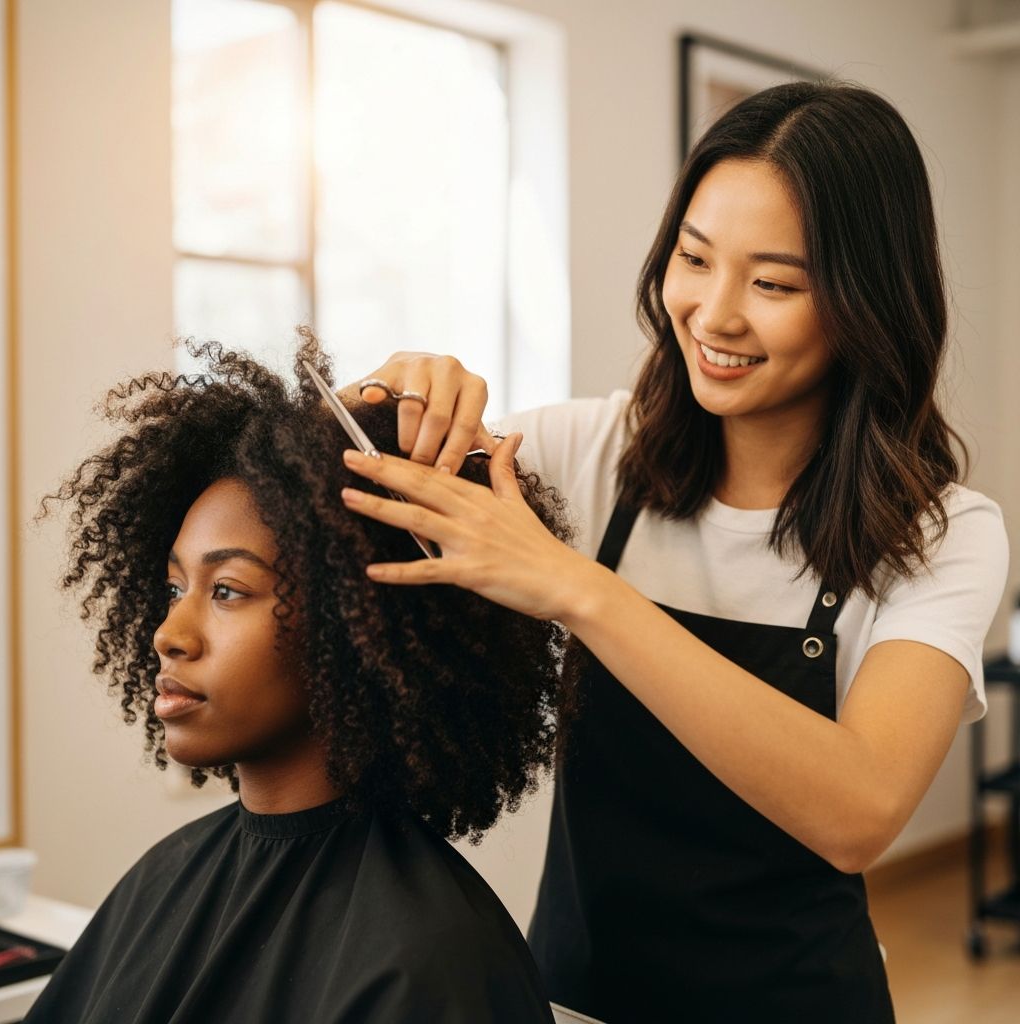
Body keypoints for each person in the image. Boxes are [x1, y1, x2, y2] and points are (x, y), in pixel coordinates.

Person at [338, 81, 1009, 1022]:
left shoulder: (942, 533)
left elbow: (860, 810)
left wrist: (582, 591)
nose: (714, 314)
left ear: (867, 301)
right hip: (572, 997)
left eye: (774, 283)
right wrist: (394, 390)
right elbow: (344, 489)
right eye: (694, 259)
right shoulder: (589, 455)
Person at [26, 333, 573, 1024]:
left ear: (353, 624)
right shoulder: (166, 875)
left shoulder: (422, 961)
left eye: (227, 590)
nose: (169, 634)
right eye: (172, 589)